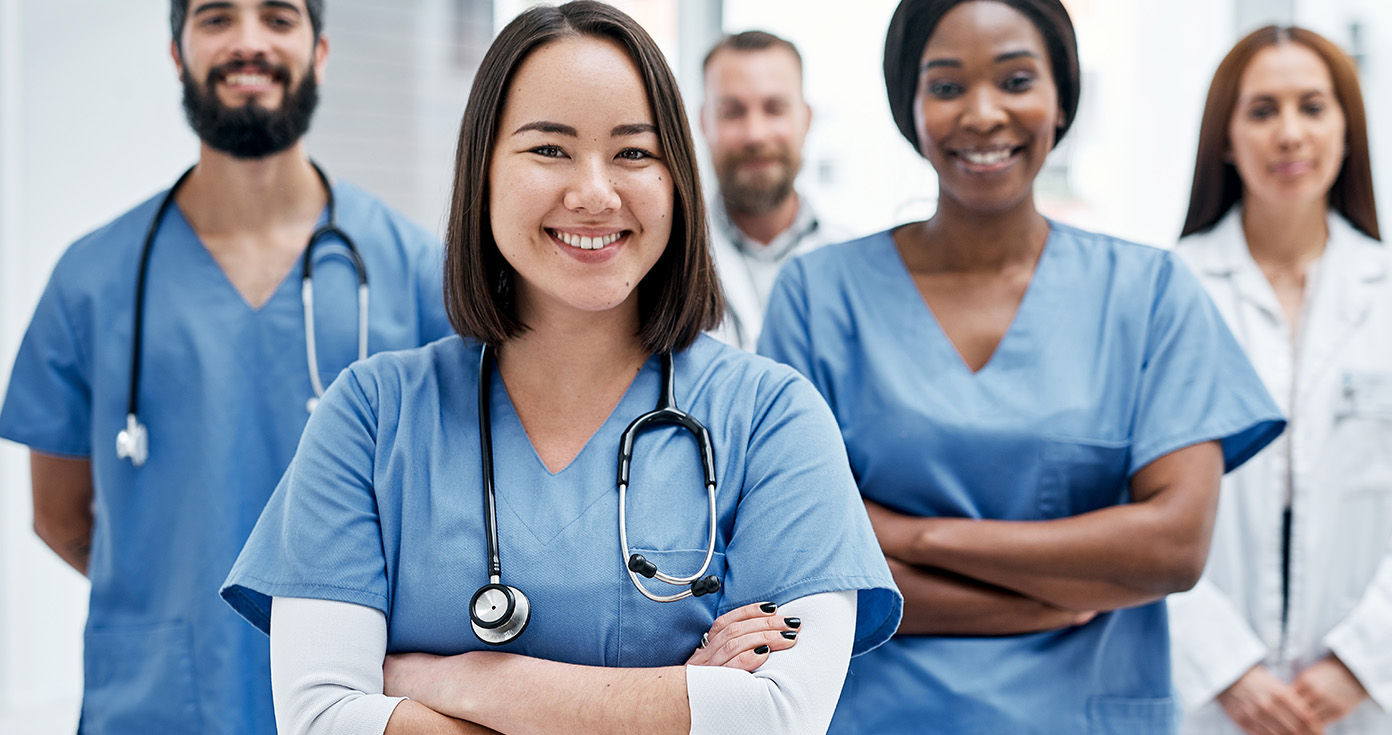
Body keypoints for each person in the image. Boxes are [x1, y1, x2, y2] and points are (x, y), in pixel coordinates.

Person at [219, 3, 902, 734]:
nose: (595, 193)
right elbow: (321, 718)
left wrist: (447, 679)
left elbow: (775, 717)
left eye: (635, 153)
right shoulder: (371, 415)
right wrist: (677, 697)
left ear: (678, 180)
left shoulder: (773, 418)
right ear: (483, 170)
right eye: (550, 149)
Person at [758, 0, 1286, 732]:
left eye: (1015, 80)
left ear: (1061, 98)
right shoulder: (819, 296)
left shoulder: (1149, 294)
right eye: (946, 87)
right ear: (908, 107)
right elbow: (801, 566)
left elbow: (1174, 545)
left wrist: (913, 536)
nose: (982, 113)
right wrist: (1045, 597)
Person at [0, 1, 453, 732]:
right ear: (177, 52)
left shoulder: (414, 275)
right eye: (216, 18)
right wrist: (162, 599)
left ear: (322, 51)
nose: (248, 42)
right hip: (154, 706)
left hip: (355, 704)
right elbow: (57, 515)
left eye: (277, 17)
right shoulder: (92, 280)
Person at [1170, 25, 1392, 735]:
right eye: (1262, 111)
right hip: (1209, 697)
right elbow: (1131, 502)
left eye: (1313, 107)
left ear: (1347, 131)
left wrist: (1357, 664)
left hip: (1369, 699)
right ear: (1225, 139)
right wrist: (1226, 665)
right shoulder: (1171, 292)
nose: (1290, 133)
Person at [699, 30, 847, 351]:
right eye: (733, 112)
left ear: (806, 120)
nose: (755, 134)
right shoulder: (669, 260)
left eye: (774, 108)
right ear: (704, 123)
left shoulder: (853, 261)